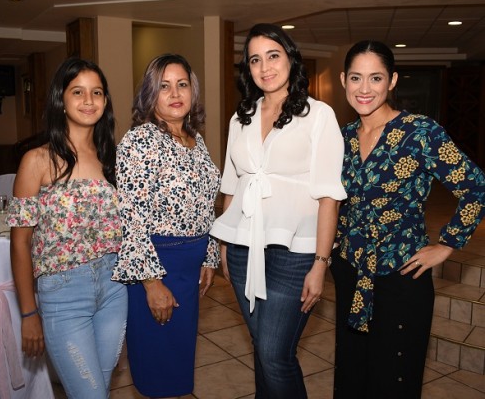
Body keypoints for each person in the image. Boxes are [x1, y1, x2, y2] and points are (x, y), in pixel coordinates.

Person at [332, 40, 485, 399]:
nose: (365, 89)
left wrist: (446, 245)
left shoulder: (421, 131)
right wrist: (335, 242)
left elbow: (476, 187)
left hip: (402, 276)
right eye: (356, 78)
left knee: (394, 378)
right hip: (351, 271)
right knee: (352, 375)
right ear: (343, 80)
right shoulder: (342, 138)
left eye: (376, 78)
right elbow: (334, 200)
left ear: (392, 81)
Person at [210, 23, 347, 398]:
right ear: (248, 69)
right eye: (255, 59)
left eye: (273, 55)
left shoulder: (318, 115)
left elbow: (329, 198)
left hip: (295, 255)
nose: (265, 67)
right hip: (241, 249)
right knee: (263, 350)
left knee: (274, 353)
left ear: (290, 60)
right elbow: (232, 186)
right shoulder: (241, 118)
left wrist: (321, 263)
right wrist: (225, 246)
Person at [7, 57, 128, 399]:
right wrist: (28, 311)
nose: (89, 101)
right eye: (78, 92)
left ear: (105, 102)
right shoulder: (37, 161)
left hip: (114, 288)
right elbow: (20, 243)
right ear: (61, 99)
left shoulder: (111, 158)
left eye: (97, 92)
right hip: (63, 294)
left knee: (98, 390)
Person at [113, 53, 221, 398]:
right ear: (150, 94)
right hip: (158, 265)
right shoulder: (139, 141)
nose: (175, 93)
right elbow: (129, 218)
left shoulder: (194, 139)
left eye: (182, 84)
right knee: (158, 372)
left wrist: (208, 256)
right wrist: (151, 283)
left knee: (178, 369)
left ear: (193, 91)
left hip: (189, 267)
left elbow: (204, 205)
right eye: (164, 86)